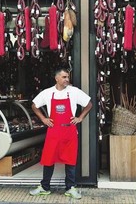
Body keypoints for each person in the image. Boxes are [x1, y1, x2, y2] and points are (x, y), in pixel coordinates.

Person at [29, 68, 92, 199]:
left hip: (69, 131)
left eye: (67, 77)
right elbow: (34, 105)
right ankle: (44, 187)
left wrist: (80, 118)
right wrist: (43, 119)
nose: (67, 79)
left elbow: (89, 104)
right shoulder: (47, 93)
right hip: (54, 130)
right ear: (56, 78)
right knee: (48, 159)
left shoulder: (74, 92)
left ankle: (70, 187)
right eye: (64, 77)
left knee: (70, 160)